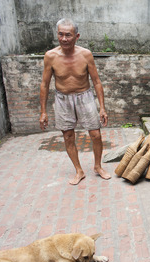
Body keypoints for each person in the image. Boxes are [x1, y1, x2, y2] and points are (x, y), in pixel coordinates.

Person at [39, 18, 111, 185]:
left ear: (76, 36)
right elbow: (44, 84)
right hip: (62, 99)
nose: (64, 39)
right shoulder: (50, 56)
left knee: (96, 134)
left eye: (68, 35)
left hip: (84, 96)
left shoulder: (85, 54)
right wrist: (43, 112)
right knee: (68, 136)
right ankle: (79, 170)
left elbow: (97, 81)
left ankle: (98, 166)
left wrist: (102, 108)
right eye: (61, 34)